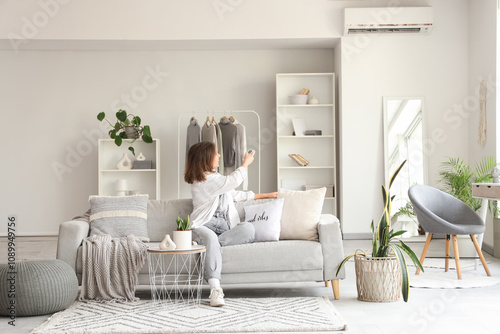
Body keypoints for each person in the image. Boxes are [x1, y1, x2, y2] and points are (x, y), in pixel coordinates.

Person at [184, 141, 277, 307]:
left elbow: (235, 194)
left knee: (248, 228)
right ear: (205, 157)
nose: (219, 156)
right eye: (216, 153)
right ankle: (215, 290)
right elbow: (234, 181)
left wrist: (267, 195)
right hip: (204, 225)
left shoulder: (218, 180)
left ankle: (210, 248)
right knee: (211, 238)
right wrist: (245, 163)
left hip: (224, 227)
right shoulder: (202, 182)